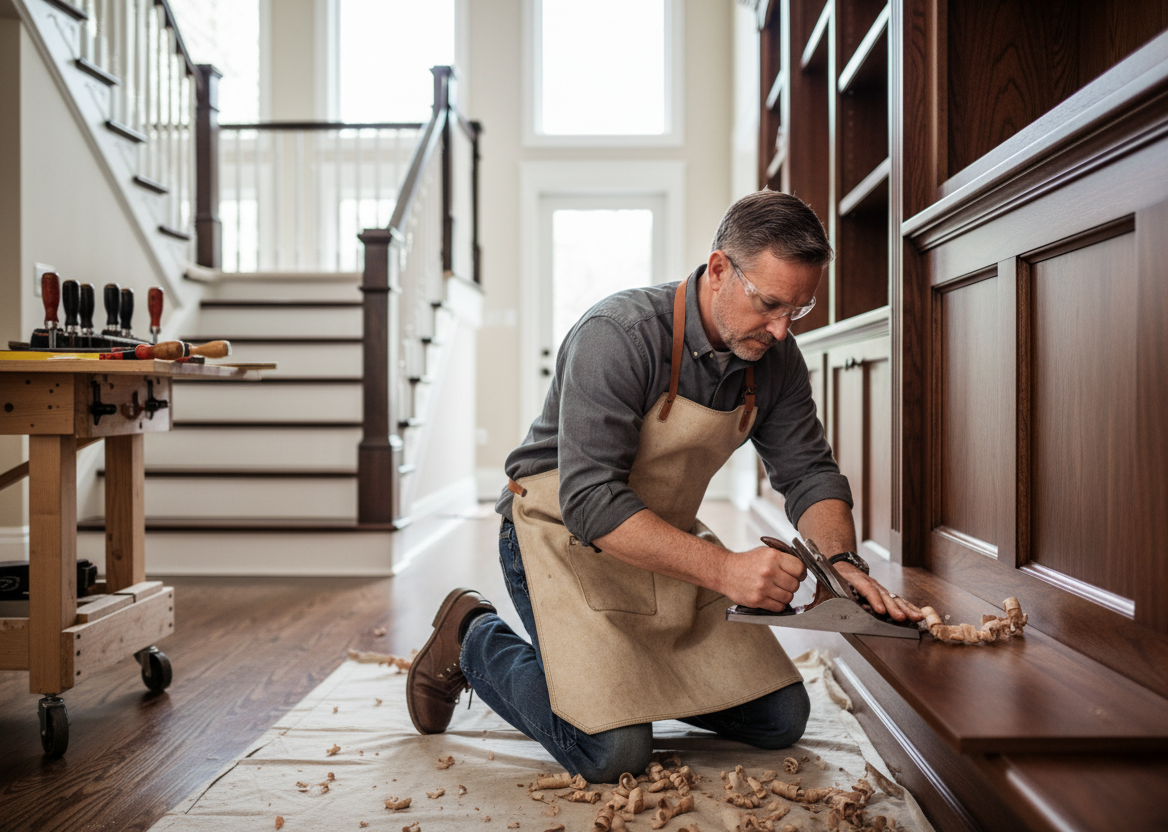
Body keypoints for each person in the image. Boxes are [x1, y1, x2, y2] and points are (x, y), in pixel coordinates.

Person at [405, 189, 922, 782]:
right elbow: (590, 502)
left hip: (662, 544)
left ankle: (623, 681)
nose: (782, 331)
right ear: (720, 269)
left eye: (798, 311)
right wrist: (727, 571)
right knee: (614, 754)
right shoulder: (617, 335)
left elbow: (808, 471)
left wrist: (841, 563)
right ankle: (471, 636)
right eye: (770, 304)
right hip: (559, 536)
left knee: (781, 718)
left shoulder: (775, 358)